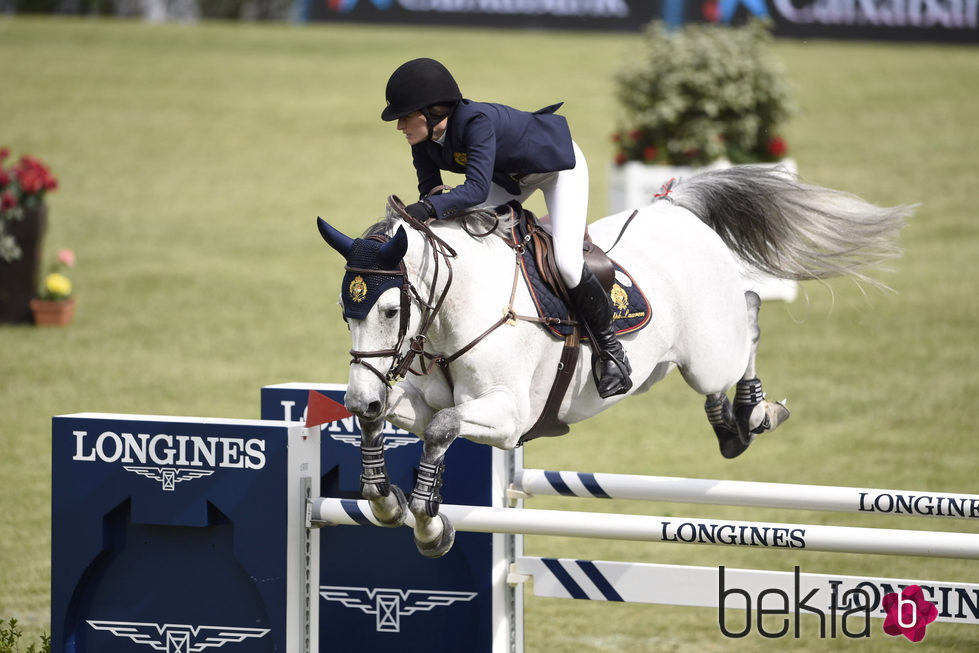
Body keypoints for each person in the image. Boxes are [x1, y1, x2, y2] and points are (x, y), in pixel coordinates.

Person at [381, 57, 631, 398]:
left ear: (431, 111)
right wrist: (428, 206)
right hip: (511, 179)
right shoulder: (423, 142)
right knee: (467, 234)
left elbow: (476, 191)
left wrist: (428, 206)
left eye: (404, 117)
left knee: (568, 263)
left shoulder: (475, 122)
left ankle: (612, 353)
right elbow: (431, 190)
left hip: (557, 168)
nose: (399, 127)